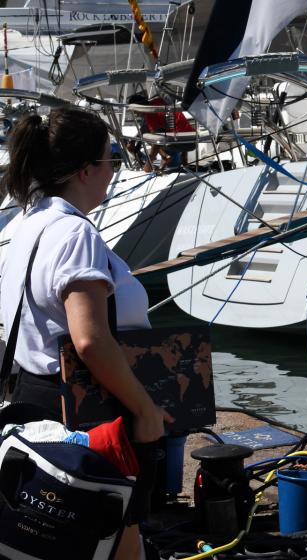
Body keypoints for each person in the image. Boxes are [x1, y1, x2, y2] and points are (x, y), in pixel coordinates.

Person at [0, 108, 171, 559]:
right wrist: (145, 408)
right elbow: (91, 339)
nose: (114, 172)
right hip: (90, 411)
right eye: (110, 159)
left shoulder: (28, 222)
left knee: (50, 537)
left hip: (36, 395)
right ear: (85, 170)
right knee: (115, 535)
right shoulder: (75, 234)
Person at [126, 93, 195, 172]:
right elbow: (179, 125)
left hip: (181, 142)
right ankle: (180, 160)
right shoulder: (159, 101)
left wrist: (147, 166)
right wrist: (134, 140)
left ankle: (162, 158)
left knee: (153, 136)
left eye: (134, 110)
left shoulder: (150, 114)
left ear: (138, 107)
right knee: (154, 132)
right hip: (192, 138)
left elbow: (157, 141)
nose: (134, 113)